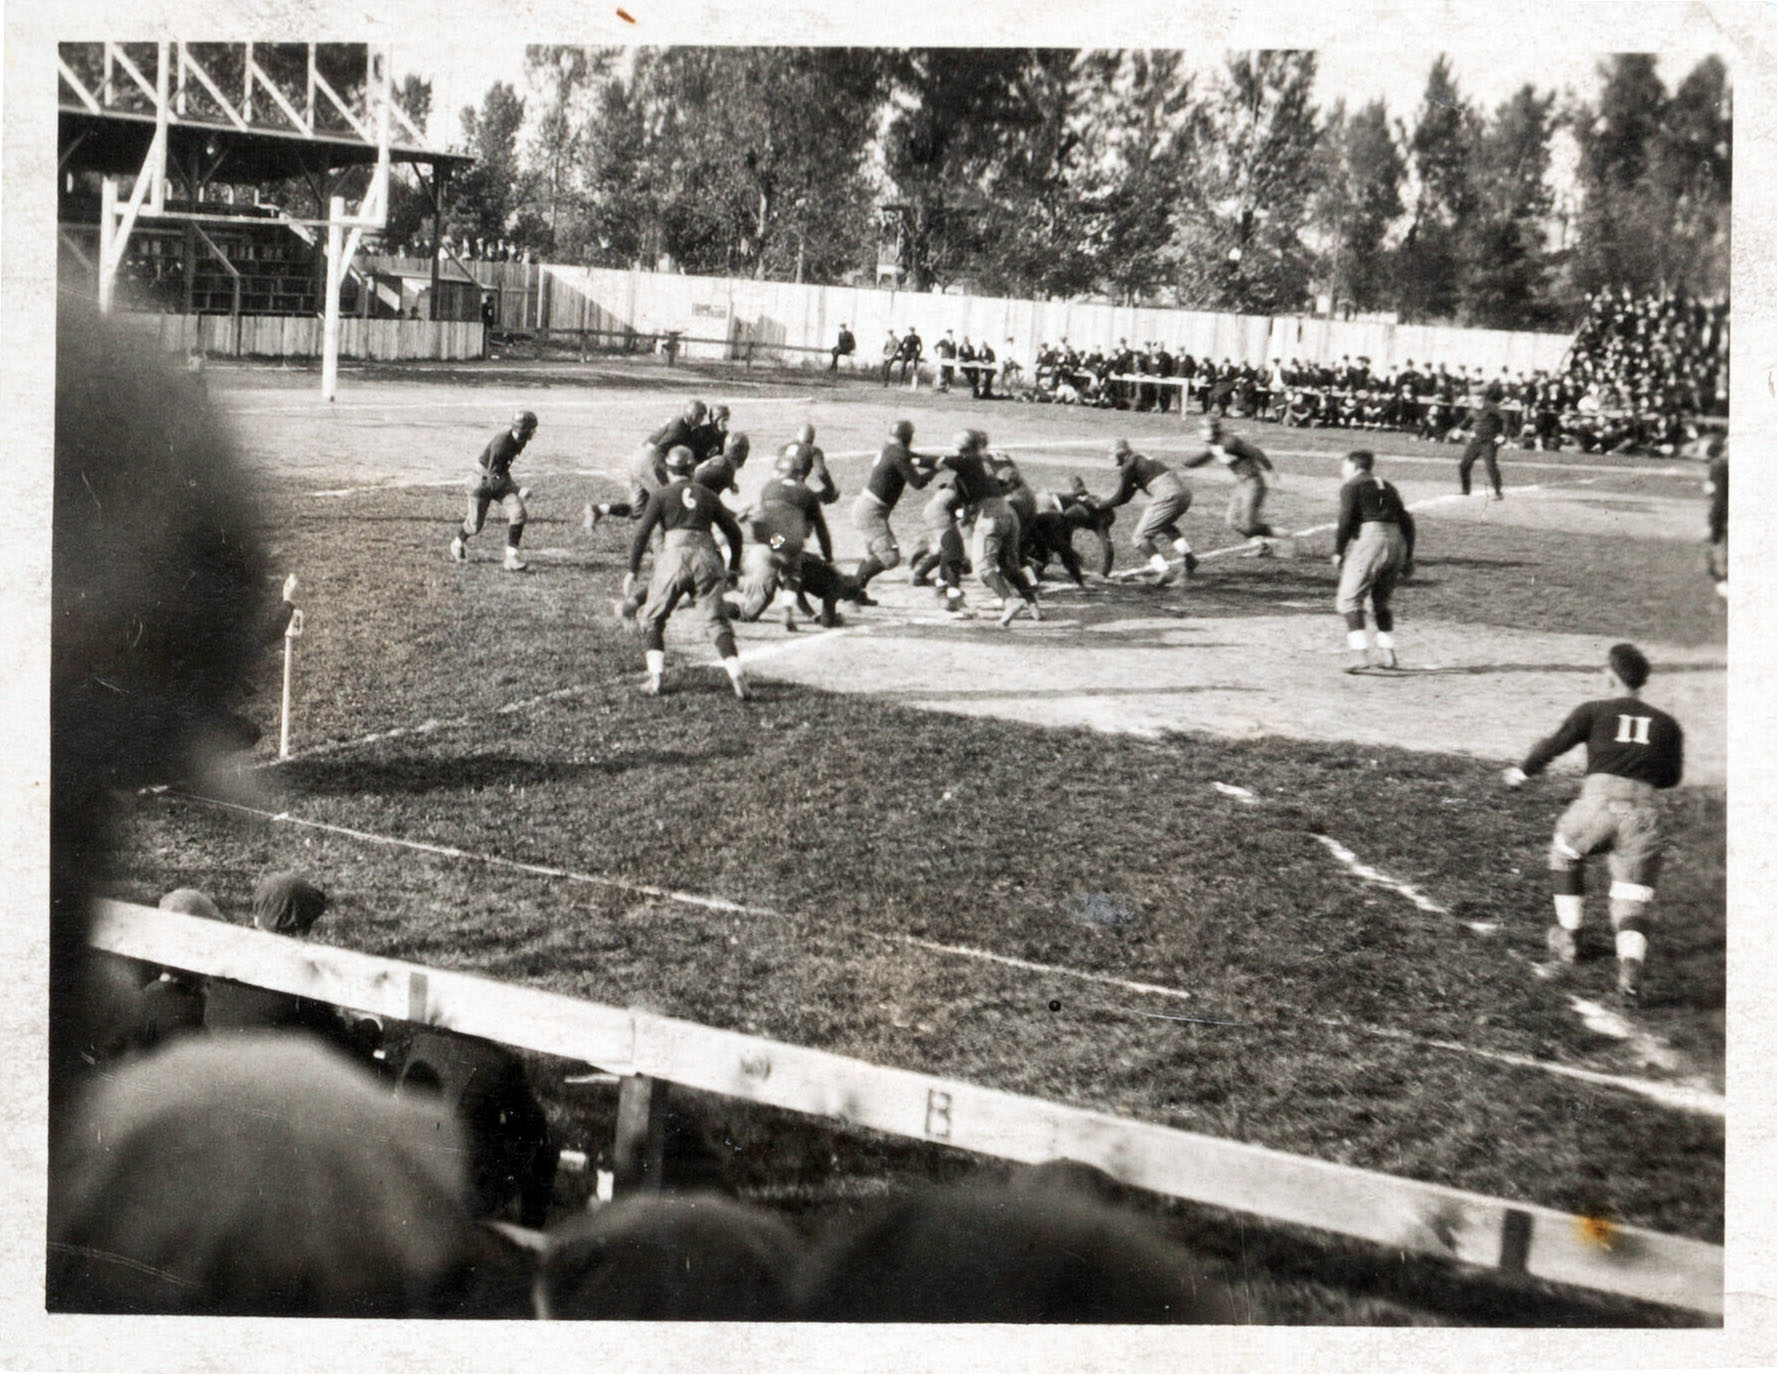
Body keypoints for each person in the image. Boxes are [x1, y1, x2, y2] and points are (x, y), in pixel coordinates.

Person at [1503, 643, 1684, 1001]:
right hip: (1644, 815)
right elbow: (1671, 778)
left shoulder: (1594, 710)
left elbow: (1554, 745)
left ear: (1611, 676)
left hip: (1599, 805)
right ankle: (1630, 969)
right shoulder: (1667, 725)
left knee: (1565, 851)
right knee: (1632, 899)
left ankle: (1569, 937)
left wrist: (1521, 773)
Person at [622, 445, 751, 699]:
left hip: (674, 556)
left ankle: (656, 678)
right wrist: (733, 568)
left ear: (668, 471)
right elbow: (734, 533)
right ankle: (738, 678)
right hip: (707, 556)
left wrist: (632, 570)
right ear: (692, 470)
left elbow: (641, 533)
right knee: (717, 622)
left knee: (654, 619)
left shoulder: (661, 495)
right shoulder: (707, 495)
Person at [939, 430, 1042, 626]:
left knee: (982, 568)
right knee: (1010, 563)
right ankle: (1033, 604)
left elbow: (954, 489)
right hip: (1011, 512)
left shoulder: (967, 462)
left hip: (991, 516)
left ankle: (1009, 600)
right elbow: (1008, 481)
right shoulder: (985, 462)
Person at [1332, 450, 1415, 672]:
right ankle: (1388, 654)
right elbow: (1408, 521)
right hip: (1396, 541)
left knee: (1349, 600)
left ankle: (1360, 655)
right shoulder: (1386, 486)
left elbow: (1346, 519)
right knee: (1380, 602)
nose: (1342, 471)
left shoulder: (1352, 486)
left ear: (1353, 466)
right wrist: (1408, 556)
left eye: (1344, 466)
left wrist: (1338, 551)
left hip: (1372, 541)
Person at [851, 419, 936, 594]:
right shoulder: (899, 454)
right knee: (889, 557)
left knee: (874, 555)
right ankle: (850, 591)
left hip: (868, 508)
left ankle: (855, 591)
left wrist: (948, 461)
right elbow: (918, 482)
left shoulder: (891, 449)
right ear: (909, 437)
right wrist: (936, 470)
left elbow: (919, 459)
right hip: (871, 512)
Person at [1099, 438, 1197, 585]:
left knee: (1140, 538)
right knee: (1164, 525)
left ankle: (1164, 572)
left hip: (1168, 495)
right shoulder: (1138, 458)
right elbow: (1127, 495)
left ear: (1120, 453)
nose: (1109, 457)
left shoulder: (1128, 466)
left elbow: (1122, 497)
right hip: (1183, 493)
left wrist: (1100, 505)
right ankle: (1190, 559)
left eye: (1111, 453)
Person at [449, 409, 537, 572]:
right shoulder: (502, 443)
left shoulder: (520, 439)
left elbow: (501, 470)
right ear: (523, 429)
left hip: (498, 478)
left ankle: (511, 557)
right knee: (474, 526)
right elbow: (493, 476)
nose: (534, 432)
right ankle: (457, 543)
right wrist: (517, 490)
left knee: (518, 513)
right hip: (482, 482)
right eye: (532, 428)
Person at [1183, 417, 1278, 553]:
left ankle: (1285, 536)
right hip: (1242, 483)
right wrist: (1185, 465)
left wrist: (1269, 469)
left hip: (1253, 481)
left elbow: (1255, 451)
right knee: (1232, 521)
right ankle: (1262, 547)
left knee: (1248, 524)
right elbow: (1204, 457)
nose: (1201, 432)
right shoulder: (1215, 443)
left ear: (1213, 429)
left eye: (1204, 428)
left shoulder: (1229, 442)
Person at [1458, 382, 1508, 500]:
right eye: (1472, 395)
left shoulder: (1491, 406)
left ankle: (1498, 492)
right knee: (1464, 465)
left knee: (1490, 466)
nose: (1472, 398)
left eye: (1475, 395)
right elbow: (1468, 420)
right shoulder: (1474, 408)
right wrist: (1459, 429)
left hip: (1489, 441)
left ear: (1481, 397)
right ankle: (1466, 490)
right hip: (1476, 441)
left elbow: (1506, 419)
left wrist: (1503, 435)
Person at [781, 422, 840, 505]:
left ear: (798, 434)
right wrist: (831, 490)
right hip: (795, 490)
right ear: (813, 437)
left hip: (775, 487)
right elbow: (821, 473)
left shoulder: (783, 449)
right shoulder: (813, 450)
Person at [1703, 436, 1727, 599]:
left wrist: (1714, 522)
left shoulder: (1719, 465)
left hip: (1724, 514)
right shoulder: (1720, 465)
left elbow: (1719, 499)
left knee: (1716, 553)